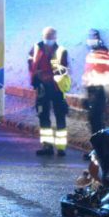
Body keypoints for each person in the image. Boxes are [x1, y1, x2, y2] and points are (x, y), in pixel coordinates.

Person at [28, 27, 71, 156]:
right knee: (43, 116)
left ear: (56, 37)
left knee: (60, 116)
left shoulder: (61, 51)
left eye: (52, 36)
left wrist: (48, 73)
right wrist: (36, 76)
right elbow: (30, 65)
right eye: (47, 36)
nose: (49, 39)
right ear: (42, 36)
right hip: (42, 88)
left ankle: (61, 147)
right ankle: (47, 146)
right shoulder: (35, 48)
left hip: (56, 88)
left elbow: (63, 70)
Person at [82, 28, 109, 159]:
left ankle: (100, 151)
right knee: (94, 121)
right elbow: (89, 74)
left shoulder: (103, 53)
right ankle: (97, 150)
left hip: (99, 91)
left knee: (97, 122)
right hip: (92, 92)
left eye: (93, 38)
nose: (91, 41)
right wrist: (86, 95)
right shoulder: (91, 53)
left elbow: (107, 74)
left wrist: (107, 97)